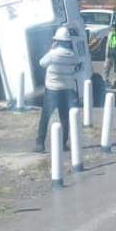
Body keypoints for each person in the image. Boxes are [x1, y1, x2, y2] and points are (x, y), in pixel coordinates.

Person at [35, 26, 81, 154]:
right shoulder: (72, 55)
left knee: (45, 117)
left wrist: (51, 48)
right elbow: (78, 64)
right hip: (67, 90)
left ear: (57, 40)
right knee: (65, 117)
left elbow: (41, 63)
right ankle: (63, 144)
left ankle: (40, 144)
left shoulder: (53, 54)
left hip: (52, 90)